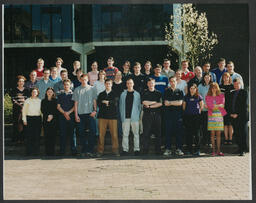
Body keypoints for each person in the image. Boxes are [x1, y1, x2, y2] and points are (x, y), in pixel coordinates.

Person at [73, 74, 97, 157]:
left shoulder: (92, 88)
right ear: (80, 80)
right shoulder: (77, 89)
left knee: (93, 132)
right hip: (80, 114)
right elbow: (75, 103)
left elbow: (94, 101)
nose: (84, 81)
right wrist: (76, 115)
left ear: (88, 79)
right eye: (82, 79)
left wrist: (95, 110)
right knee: (81, 133)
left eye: (85, 79)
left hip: (90, 114)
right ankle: (84, 150)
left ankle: (90, 150)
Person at [97, 79, 120, 157]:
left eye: (109, 84)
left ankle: (115, 150)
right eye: (106, 84)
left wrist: (107, 102)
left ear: (111, 84)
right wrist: (108, 102)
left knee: (114, 135)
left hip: (113, 117)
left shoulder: (115, 93)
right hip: (102, 117)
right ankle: (100, 151)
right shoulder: (101, 94)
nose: (108, 85)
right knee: (101, 135)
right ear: (104, 84)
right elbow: (99, 103)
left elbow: (116, 103)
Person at [163, 76, 184, 156]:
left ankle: (179, 149)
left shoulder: (180, 91)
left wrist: (171, 103)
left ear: (176, 82)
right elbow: (165, 103)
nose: (172, 83)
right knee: (168, 133)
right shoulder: (166, 91)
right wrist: (175, 102)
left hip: (178, 116)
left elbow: (180, 103)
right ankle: (168, 149)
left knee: (178, 133)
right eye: (171, 81)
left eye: (174, 81)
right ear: (169, 82)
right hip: (168, 116)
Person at [119, 78, 141, 156]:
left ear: (133, 84)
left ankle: (137, 149)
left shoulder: (137, 94)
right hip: (125, 117)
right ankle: (125, 150)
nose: (129, 85)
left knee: (136, 134)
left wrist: (138, 116)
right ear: (126, 84)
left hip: (135, 117)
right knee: (125, 134)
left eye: (130, 83)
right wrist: (122, 116)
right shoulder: (123, 94)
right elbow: (120, 106)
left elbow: (139, 106)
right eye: (128, 83)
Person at [141, 78, 162, 155]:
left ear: (154, 84)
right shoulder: (144, 92)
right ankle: (145, 150)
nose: (151, 85)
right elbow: (144, 102)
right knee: (146, 133)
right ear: (147, 84)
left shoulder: (158, 93)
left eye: (152, 83)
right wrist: (154, 102)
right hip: (147, 115)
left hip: (157, 115)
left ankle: (158, 150)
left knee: (158, 133)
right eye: (149, 83)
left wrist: (150, 106)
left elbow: (160, 104)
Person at [57, 79, 78, 156]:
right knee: (62, 134)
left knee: (72, 134)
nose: (66, 86)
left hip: (71, 116)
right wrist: (65, 113)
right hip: (62, 116)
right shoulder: (60, 95)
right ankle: (62, 151)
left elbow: (75, 106)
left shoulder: (73, 94)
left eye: (67, 84)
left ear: (70, 85)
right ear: (63, 85)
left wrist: (68, 113)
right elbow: (58, 107)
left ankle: (74, 151)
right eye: (65, 85)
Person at [205, 82, 226, 156]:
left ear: (217, 88)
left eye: (215, 87)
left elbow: (222, 106)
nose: (214, 89)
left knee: (218, 134)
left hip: (219, 116)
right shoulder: (207, 96)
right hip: (211, 116)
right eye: (212, 88)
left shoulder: (221, 95)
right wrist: (217, 105)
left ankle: (219, 151)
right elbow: (210, 106)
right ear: (210, 89)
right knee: (212, 134)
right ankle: (213, 151)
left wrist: (214, 106)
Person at [183, 84, 204, 155]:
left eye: (193, 88)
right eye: (191, 88)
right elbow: (184, 107)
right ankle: (189, 150)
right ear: (189, 89)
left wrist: (198, 111)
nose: (192, 90)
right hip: (188, 117)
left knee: (197, 134)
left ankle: (197, 150)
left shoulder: (198, 96)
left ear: (196, 89)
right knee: (189, 134)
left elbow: (202, 105)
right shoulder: (186, 97)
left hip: (196, 117)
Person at [230, 78, 248, 156]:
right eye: (235, 84)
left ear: (241, 84)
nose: (236, 85)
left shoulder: (244, 92)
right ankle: (239, 148)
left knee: (242, 133)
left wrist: (237, 114)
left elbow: (244, 105)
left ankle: (243, 149)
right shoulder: (232, 93)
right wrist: (231, 114)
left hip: (242, 116)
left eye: (237, 84)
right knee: (236, 133)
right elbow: (230, 104)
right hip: (233, 116)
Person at [22, 87, 42, 156]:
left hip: (37, 119)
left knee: (37, 136)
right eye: (33, 92)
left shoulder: (40, 101)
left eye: (35, 92)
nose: (34, 93)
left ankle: (36, 152)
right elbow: (24, 111)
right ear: (31, 93)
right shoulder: (27, 100)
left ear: (37, 93)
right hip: (29, 119)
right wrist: (24, 120)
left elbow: (42, 112)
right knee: (29, 136)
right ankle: (29, 152)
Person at [11, 75, 30, 144]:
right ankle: (16, 139)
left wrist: (24, 107)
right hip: (17, 109)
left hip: (25, 109)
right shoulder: (14, 90)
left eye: (22, 81)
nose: (21, 83)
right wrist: (20, 106)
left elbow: (28, 100)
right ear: (17, 82)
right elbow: (13, 100)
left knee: (24, 123)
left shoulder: (27, 90)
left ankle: (23, 138)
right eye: (19, 81)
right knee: (17, 123)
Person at [41, 87, 58, 156]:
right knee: (47, 135)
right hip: (46, 119)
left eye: (51, 91)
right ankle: (47, 151)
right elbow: (42, 109)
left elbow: (56, 110)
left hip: (54, 120)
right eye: (48, 91)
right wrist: (48, 115)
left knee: (53, 136)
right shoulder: (43, 101)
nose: (49, 93)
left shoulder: (55, 100)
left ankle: (52, 151)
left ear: (53, 93)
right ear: (46, 93)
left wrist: (52, 115)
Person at [219, 72, 234, 145]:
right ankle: (226, 138)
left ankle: (230, 139)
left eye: (227, 77)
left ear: (229, 78)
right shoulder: (220, 86)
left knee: (230, 124)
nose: (225, 78)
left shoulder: (232, 86)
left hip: (231, 107)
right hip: (223, 107)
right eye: (224, 77)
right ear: (222, 78)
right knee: (225, 124)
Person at [198, 73, 212, 146]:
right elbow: (198, 96)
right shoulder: (200, 86)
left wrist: (209, 105)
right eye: (205, 77)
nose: (207, 79)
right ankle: (204, 141)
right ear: (203, 78)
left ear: (210, 78)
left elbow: (215, 96)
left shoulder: (212, 85)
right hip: (203, 108)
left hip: (211, 109)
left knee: (210, 126)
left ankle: (209, 141)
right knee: (203, 126)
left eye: (208, 77)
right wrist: (203, 104)